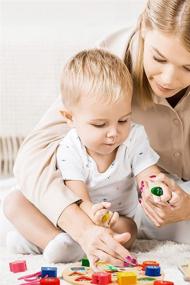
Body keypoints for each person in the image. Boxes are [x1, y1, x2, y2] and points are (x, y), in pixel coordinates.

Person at [1, 0, 190, 269]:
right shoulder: (109, 61)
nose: (169, 79)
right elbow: (34, 154)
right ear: (143, 28)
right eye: (159, 58)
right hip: (104, 199)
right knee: (14, 202)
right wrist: (82, 226)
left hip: (174, 198)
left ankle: (108, 233)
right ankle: (91, 234)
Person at [2, 48, 172, 264]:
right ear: (70, 118)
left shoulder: (134, 137)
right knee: (13, 202)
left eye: (123, 120)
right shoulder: (70, 147)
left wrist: (158, 190)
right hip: (76, 214)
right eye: (100, 124)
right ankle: (55, 240)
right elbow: (78, 197)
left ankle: (42, 243)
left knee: (129, 231)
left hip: (116, 220)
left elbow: (148, 175)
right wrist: (91, 215)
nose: (114, 133)